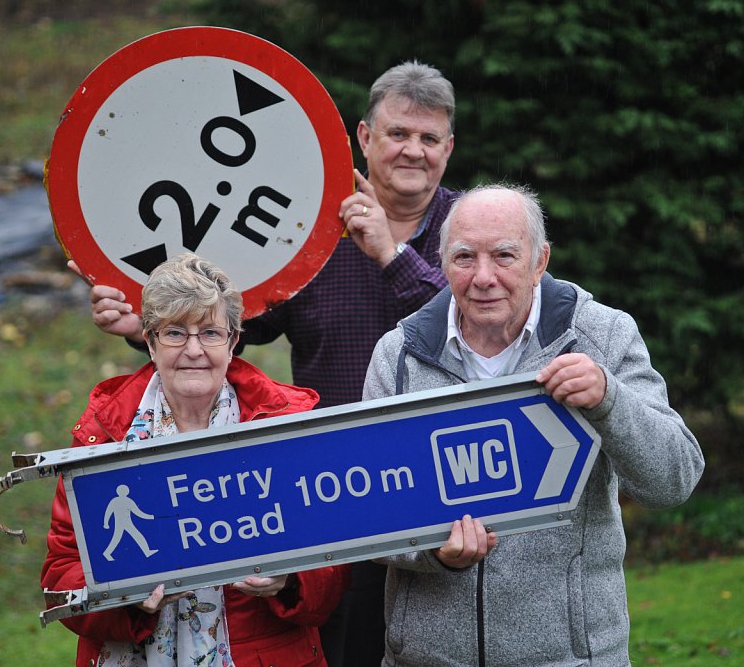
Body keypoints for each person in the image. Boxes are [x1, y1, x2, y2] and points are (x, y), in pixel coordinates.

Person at [75, 60, 460, 667]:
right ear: (364, 138)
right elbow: (234, 328)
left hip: (436, 488)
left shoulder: (470, 231)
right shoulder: (304, 229)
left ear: (449, 147)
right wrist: (147, 327)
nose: (413, 150)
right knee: (337, 646)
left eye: (429, 138)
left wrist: (393, 255)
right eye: (397, 134)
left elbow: (481, 329)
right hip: (330, 491)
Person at [362, 184, 705, 666]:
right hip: (426, 657)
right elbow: (369, 520)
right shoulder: (398, 355)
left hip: (571, 656)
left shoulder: (602, 335)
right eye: (464, 257)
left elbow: (674, 480)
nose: (484, 277)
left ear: (540, 261)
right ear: (442, 264)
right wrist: (435, 555)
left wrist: (609, 399)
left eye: (504, 255)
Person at [43, 252, 350, 667]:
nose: (193, 350)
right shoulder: (105, 435)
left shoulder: (284, 429)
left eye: (209, 333)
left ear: (233, 340)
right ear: (149, 341)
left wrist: (289, 580)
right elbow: (62, 576)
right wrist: (127, 599)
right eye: (174, 333)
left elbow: (334, 565)